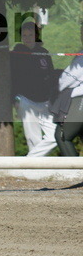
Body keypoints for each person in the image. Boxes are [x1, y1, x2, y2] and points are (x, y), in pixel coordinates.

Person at [11, 20, 58, 157]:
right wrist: (14, 99)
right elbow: (12, 78)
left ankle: (29, 160)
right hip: (26, 100)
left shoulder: (44, 52)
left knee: (54, 136)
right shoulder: (16, 53)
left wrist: (53, 98)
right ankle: (36, 171)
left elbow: (51, 76)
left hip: (45, 101)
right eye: (24, 35)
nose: (27, 38)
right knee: (33, 138)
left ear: (36, 36)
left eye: (30, 35)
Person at [53, 25, 83, 156]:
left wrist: (58, 84)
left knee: (62, 136)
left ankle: (76, 174)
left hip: (80, 99)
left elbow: (68, 79)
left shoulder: (81, 57)